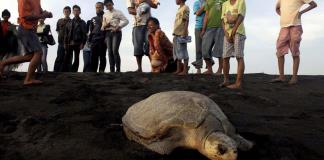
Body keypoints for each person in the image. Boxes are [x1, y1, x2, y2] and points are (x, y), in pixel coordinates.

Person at [0, 0, 52, 85]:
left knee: (29, 56)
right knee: (38, 53)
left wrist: (47, 14)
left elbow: (39, 11)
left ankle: (3, 63)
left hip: (29, 29)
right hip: (25, 28)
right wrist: (43, 15)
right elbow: (26, 17)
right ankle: (28, 79)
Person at [271, 0, 317, 85]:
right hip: (284, 27)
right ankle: (281, 76)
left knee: (294, 51)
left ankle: (294, 77)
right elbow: (277, 8)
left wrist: (301, 13)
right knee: (279, 50)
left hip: (295, 26)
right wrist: (283, 16)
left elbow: (313, 4)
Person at [126, 0, 158, 72]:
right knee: (137, 47)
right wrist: (140, 11)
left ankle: (154, 68)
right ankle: (139, 68)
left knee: (150, 46)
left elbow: (155, 6)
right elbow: (130, 10)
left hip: (148, 25)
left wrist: (145, 1)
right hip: (137, 24)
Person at [220, 0, 246, 89]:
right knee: (225, 57)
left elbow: (240, 17)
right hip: (227, 33)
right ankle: (226, 80)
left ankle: (238, 83)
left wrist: (233, 31)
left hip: (238, 32)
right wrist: (226, 34)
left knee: (239, 56)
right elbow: (222, 21)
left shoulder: (241, 2)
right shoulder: (225, 4)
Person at [102, 0, 129, 72]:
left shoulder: (118, 12)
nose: (108, 6)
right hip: (108, 33)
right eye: (107, 6)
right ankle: (112, 69)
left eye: (109, 5)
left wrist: (118, 27)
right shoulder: (105, 14)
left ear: (112, 4)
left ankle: (118, 69)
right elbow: (102, 27)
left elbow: (126, 21)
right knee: (110, 51)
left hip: (116, 32)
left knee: (114, 50)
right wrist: (105, 26)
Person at [201, 0, 226, 75]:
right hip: (209, 28)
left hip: (221, 27)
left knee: (220, 50)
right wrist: (203, 29)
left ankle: (219, 70)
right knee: (204, 50)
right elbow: (206, 15)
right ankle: (209, 69)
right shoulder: (208, 1)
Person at [63, 5, 87, 72]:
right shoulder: (69, 22)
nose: (76, 12)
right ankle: (64, 71)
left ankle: (74, 71)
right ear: (73, 12)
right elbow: (66, 34)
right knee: (66, 57)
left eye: (77, 10)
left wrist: (83, 43)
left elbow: (84, 34)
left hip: (78, 43)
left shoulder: (83, 22)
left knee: (76, 58)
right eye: (75, 10)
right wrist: (65, 43)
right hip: (70, 42)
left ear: (80, 12)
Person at [89, 2, 107, 73]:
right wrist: (90, 40)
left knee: (102, 56)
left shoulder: (106, 16)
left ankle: (101, 71)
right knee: (93, 56)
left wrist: (106, 38)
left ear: (103, 7)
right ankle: (93, 71)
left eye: (99, 7)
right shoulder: (93, 19)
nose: (98, 9)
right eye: (96, 7)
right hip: (94, 39)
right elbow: (91, 30)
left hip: (103, 39)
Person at [173, 0, 190, 76]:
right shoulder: (179, 9)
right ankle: (178, 69)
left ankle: (185, 70)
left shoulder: (185, 8)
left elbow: (186, 20)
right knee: (177, 52)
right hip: (176, 33)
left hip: (181, 33)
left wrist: (184, 31)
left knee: (183, 52)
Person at [54, 6, 71, 72]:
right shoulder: (60, 20)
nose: (66, 13)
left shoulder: (72, 21)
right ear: (63, 12)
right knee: (59, 57)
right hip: (61, 42)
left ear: (70, 12)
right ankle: (56, 71)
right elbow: (57, 30)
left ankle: (68, 72)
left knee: (68, 58)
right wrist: (61, 36)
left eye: (67, 11)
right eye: (65, 11)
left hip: (69, 43)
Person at [192, 0, 205, 74]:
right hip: (198, 27)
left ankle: (209, 67)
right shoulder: (197, 2)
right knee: (198, 48)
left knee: (207, 48)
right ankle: (198, 69)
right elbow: (197, 13)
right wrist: (205, 5)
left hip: (208, 27)